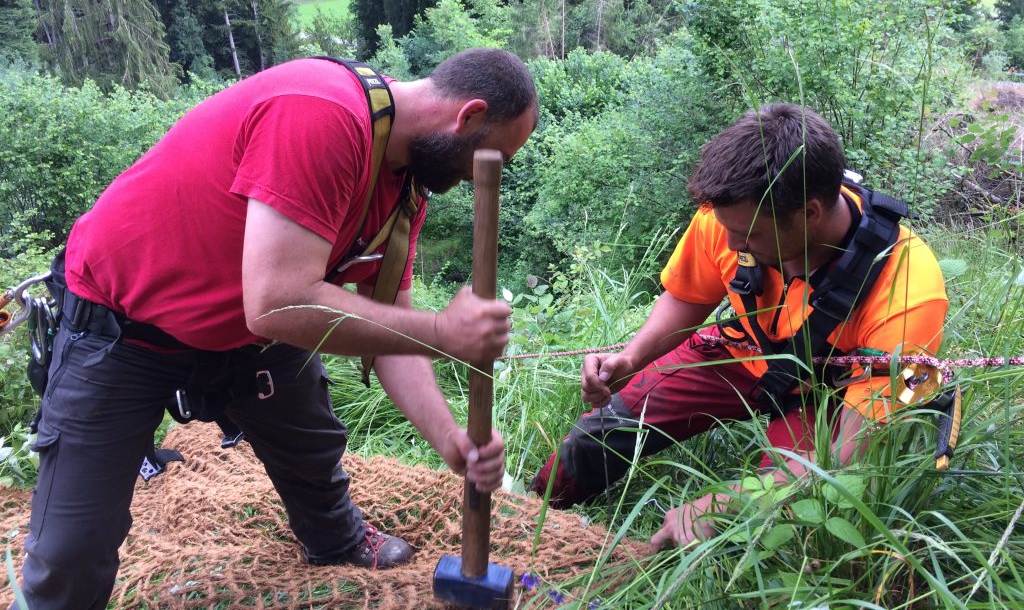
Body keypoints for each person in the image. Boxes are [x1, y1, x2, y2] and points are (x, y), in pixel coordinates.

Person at [17, 48, 538, 608]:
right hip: (122, 328)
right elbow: (277, 302)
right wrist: (442, 331)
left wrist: (451, 440)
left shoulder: (403, 192)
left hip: (254, 340)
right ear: (468, 116)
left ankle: (336, 538)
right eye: (495, 156)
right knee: (71, 548)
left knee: (313, 452)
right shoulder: (323, 112)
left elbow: (394, 337)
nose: (485, 175)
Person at [530, 103, 947, 550]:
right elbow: (687, 297)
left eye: (748, 237)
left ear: (809, 213)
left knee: (784, 512)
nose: (729, 244)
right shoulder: (734, 215)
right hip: (743, 351)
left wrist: (728, 504)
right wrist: (631, 358)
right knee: (602, 432)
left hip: (828, 396)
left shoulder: (911, 290)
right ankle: (524, 512)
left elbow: (853, 455)